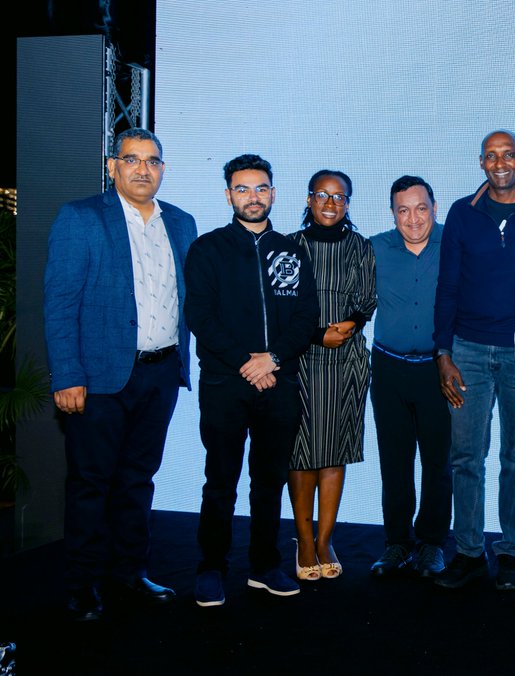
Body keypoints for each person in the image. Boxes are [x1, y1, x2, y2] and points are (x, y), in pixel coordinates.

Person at [43, 128, 197, 621]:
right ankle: (83, 585)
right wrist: (67, 374)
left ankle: (129, 573)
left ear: (163, 170)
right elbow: (60, 302)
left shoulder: (181, 222)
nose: (142, 169)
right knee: (92, 484)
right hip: (98, 378)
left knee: (138, 481)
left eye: (152, 161)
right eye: (131, 160)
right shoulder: (81, 218)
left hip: (159, 374)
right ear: (113, 166)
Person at [185, 154, 320, 607]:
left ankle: (264, 566)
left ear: (273, 193)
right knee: (220, 481)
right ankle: (211, 568)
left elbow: (306, 318)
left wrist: (273, 360)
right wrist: (249, 363)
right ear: (228, 196)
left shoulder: (292, 249)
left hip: (280, 383)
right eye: (242, 189)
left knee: (269, 481)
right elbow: (200, 316)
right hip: (226, 385)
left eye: (260, 188)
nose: (252, 197)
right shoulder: (207, 249)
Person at [433, 130, 515, 590]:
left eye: (509, 155)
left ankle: (510, 553)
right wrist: (443, 353)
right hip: (466, 348)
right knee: (466, 456)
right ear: (481, 163)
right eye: (492, 155)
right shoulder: (461, 214)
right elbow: (447, 285)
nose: (501, 162)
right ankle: (468, 552)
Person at [287, 170, 376, 581]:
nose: (330, 203)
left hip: (346, 359)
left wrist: (349, 326)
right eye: (322, 195)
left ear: (348, 204)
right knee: (301, 452)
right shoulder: (289, 247)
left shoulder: (360, 247)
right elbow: (279, 308)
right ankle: (303, 541)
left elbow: (367, 300)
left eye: (339, 197)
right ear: (309, 200)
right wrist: (315, 335)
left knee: (335, 451)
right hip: (299, 358)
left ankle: (325, 540)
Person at [369, 176, 452, 578]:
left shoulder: (455, 244)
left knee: (439, 462)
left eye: (420, 208)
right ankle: (397, 543)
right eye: (403, 210)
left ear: (434, 208)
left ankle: (432, 543)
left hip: (439, 371)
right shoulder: (374, 249)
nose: (413, 218)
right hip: (389, 369)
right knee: (395, 461)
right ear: (393, 214)